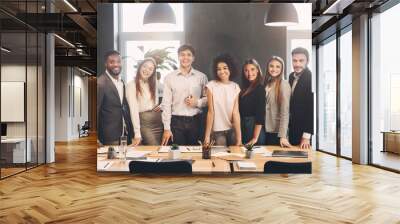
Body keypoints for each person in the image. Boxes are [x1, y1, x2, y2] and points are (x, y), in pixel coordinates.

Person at [161, 44, 208, 145]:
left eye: (189, 55)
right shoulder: (169, 78)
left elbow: (208, 99)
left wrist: (197, 102)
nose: (185, 57)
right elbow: (166, 104)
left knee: (195, 156)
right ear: (178, 57)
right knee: (177, 156)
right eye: (182, 55)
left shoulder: (202, 77)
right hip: (176, 122)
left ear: (193, 58)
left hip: (196, 121)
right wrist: (166, 128)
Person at [97, 50, 135, 145]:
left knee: (124, 159)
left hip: (124, 132)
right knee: (111, 160)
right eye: (112, 62)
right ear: (106, 64)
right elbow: (96, 110)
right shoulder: (100, 83)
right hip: (109, 135)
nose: (116, 64)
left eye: (118, 61)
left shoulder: (121, 82)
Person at [204, 54, 241, 146]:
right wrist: (207, 136)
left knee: (234, 157)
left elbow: (235, 113)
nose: (222, 71)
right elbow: (210, 112)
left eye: (225, 68)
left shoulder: (235, 87)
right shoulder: (211, 86)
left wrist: (239, 138)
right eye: (218, 69)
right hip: (217, 132)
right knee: (220, 158)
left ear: (230, 69)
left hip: (232, 130)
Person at [126, 58, 163, 145]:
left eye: (150, 69)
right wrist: (137, 134)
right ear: (140, 67)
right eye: (145, 66)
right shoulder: (131, 85)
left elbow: (171, 93)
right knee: (154, 151)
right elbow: (133, 110)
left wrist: (163, 105)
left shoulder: (153, 84)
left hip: (159, 123)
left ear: (153, 72)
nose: (147, 70)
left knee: (160, 151)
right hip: (145, 124)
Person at [288, 47, 314, 149]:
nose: (297, 64)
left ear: (307, 61)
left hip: (304, 133)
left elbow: (312, 108)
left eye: (301, 61)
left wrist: (306, 136)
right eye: (295, 61)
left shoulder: (311, 78)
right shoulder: (291, 76)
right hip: (292, 128)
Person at [264, 56, 292, 147]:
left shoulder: (284, 84)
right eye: (271, 66)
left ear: (282, 69)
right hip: (266, 130)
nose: (274, 69)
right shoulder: (267, 84)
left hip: (277, 132)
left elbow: (285, 111)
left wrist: (283, 136)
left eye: (277, 66)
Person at [238, 59, 266, 145]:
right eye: (246, 70)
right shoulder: (244, 88)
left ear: (257, 70)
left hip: (254, 127)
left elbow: (260, 114)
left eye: (252, 69)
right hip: (244, 125)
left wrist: (255, 138)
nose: (249, 73)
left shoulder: (260, 88)